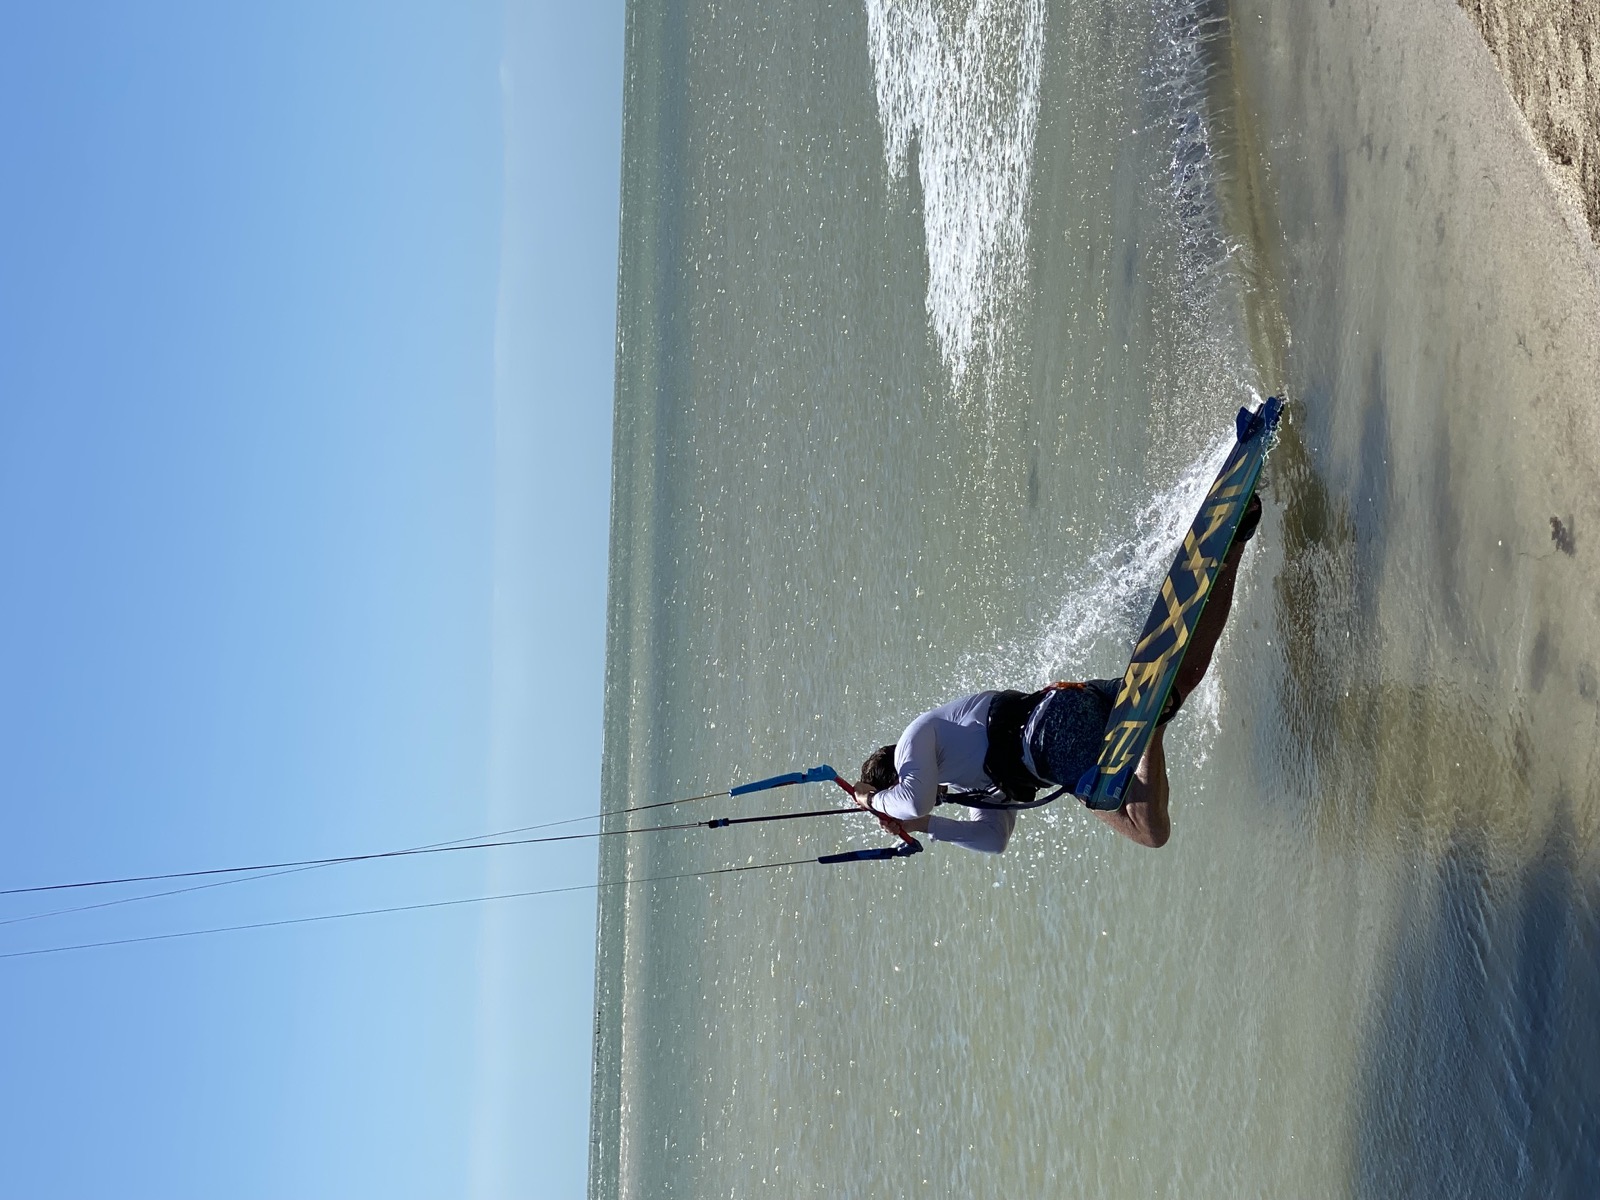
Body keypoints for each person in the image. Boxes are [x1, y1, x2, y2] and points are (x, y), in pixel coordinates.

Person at [853, 494, 1261, 852]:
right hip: (1068, 707)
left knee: (1149, 832)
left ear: (899, 775)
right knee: (1183, 675)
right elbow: (993, 839)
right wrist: (925, 827)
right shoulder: (962, 778)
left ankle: (1153, 725)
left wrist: (870, 800)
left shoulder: (914, 738)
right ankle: (1236, 538)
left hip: (1054, 734)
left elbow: (911, 799)